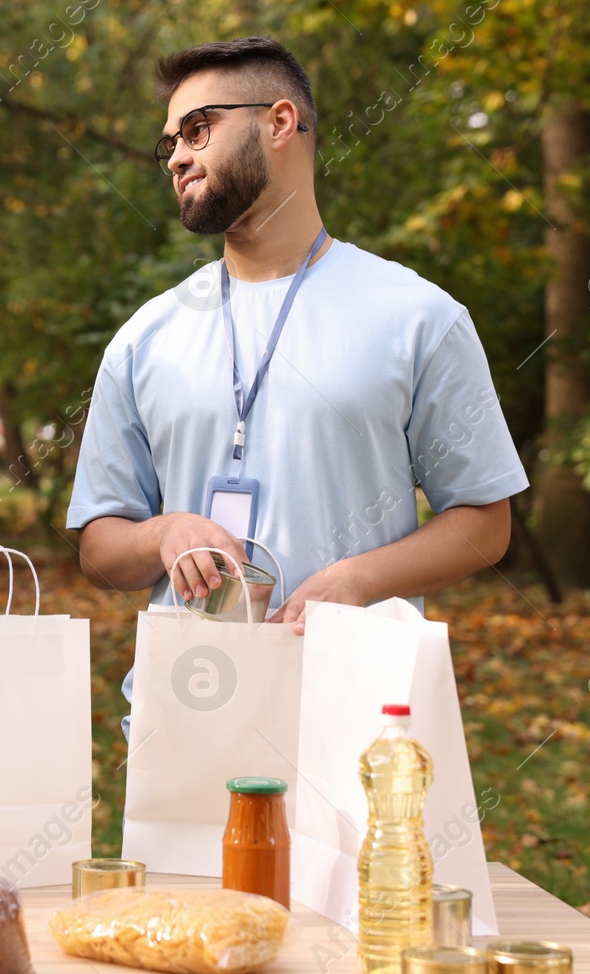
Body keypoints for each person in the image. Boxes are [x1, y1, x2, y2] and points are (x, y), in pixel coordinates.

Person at [67, 37, 528, 730]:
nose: (177, 157)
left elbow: (486, 524)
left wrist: (357, 580)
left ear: (280, 122)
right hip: (184, 721)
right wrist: (163, 533)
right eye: (169, 142)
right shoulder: (145, 337)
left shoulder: (418, 317)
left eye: (198, 129)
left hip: (362, 717)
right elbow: (100, 547)